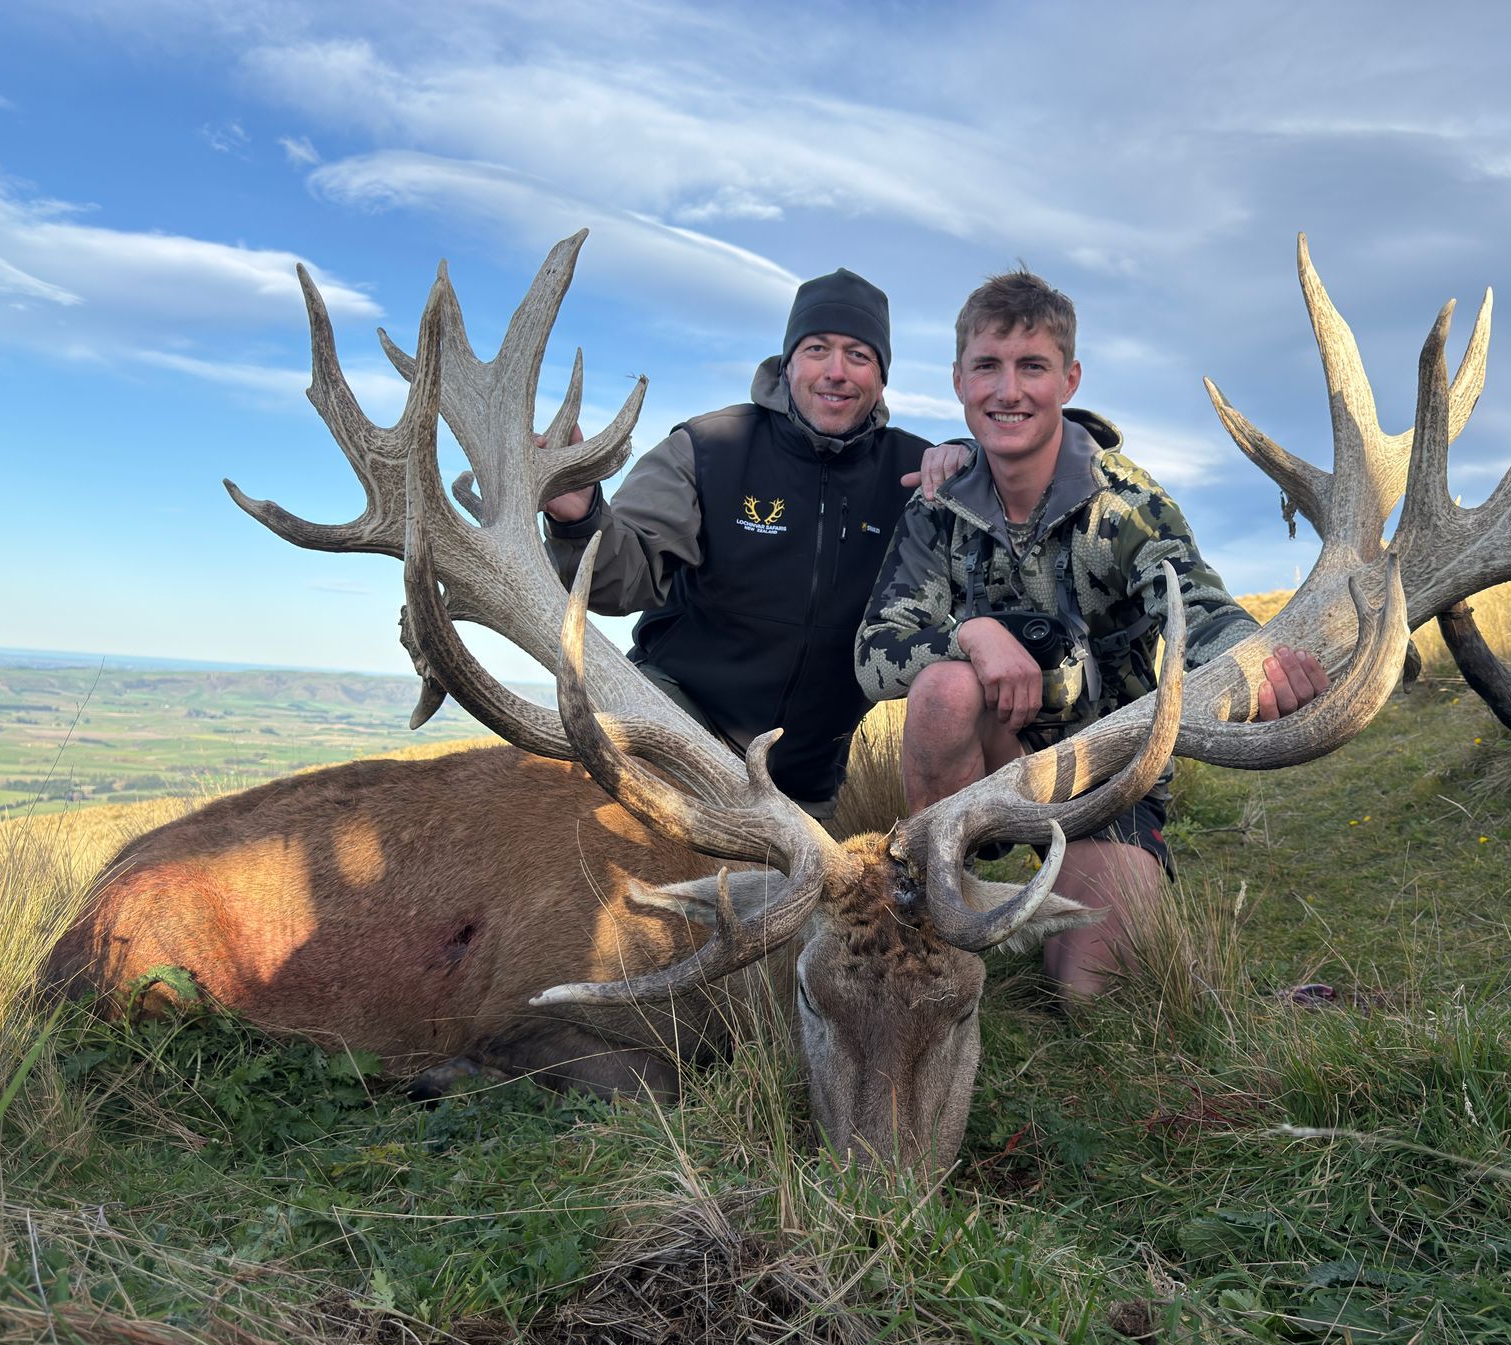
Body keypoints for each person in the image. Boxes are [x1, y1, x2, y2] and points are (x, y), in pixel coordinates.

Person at [854, 269, 1329, 998]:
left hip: (1108, 781)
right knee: (944, 690)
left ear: (1069, 379)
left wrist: (1255, 663)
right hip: (992, 761)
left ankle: (1092, 888)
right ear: (957, 380)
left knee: (1092, 994)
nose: (1008, 391)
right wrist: (973, 634)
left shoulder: (1127, 503)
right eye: (988, 367)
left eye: (1032, 367)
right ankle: (936, 918)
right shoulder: (935, 508)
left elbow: (1193, 603)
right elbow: (876, 653)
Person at [542, 269, 932, 820]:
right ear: (788, 362)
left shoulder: (917, 474)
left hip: (803, 785)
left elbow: (1015, 473)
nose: (836, 372)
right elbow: (618, 581)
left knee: (779, 907)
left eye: (859, 356)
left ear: (882, 377)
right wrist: (580, 517)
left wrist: (966, 456)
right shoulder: (705, 449)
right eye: (818, 349)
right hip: (675, 730)